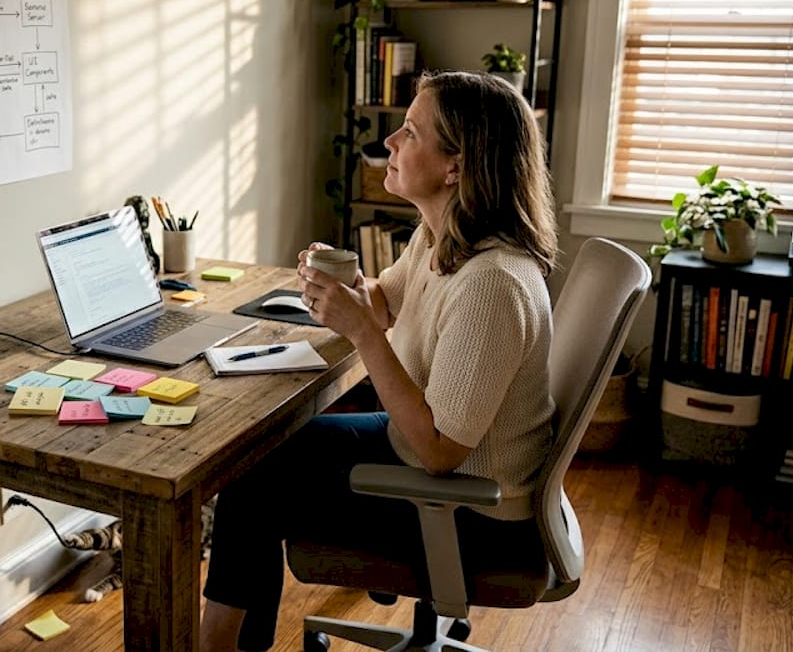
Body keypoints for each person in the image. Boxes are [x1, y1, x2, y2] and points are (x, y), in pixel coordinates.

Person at [199, 70, 560, 651]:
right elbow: (385, 303)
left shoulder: (493, 283)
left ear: (456, 166)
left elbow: (439, 451)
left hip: (470, 515)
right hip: (421, 455)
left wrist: (363, 331)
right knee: (254, 461)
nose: (389, 142)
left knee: (251, 491)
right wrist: (339, 287)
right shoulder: (444, 234)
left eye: (410, 132)